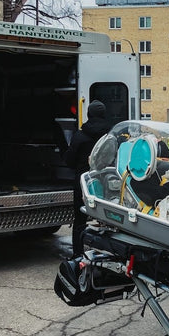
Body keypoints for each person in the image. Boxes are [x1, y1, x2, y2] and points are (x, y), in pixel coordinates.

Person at [64, 100, 109, 257]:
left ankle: (77, 254)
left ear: (88, 114)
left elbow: (69, 161)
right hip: (106, 183)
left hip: (84, 183)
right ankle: (107, 251)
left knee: (80, 220)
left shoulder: (80, 135)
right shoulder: (110, 136)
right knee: (108, 220)